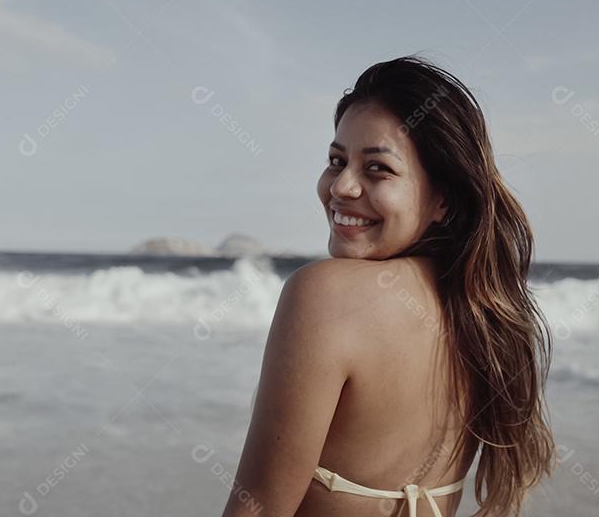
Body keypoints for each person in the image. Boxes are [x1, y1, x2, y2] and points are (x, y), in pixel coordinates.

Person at [222, 55, 555, 517]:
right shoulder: (481, 313)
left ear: (443, 199)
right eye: (337, 161)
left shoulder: (324, 294)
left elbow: (256, 510)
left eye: (377, 169)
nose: (342, 187)